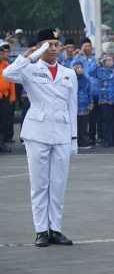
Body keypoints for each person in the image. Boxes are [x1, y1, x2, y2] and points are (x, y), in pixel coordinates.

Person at [2, 29, 77, 247]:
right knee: (39, 183)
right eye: (48, 44)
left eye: (56, 44)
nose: (53, 48)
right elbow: (8, 74)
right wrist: (31, 55)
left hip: (62, 132)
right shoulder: (30, 69)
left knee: (58, 184)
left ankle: (55, 228)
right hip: (38, 131)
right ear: (39, 47)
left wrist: (74, 139)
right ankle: (40, 230)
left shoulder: (68, 73)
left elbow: (72, 107)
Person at [91, 53, 114, 148]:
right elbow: (91, 72)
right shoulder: (100, 70)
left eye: (110, 60)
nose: (109, 62)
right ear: (104, 61)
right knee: (106, 121)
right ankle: (106, 140)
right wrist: (99, 63)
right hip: (105, 99)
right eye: (107, 60)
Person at [74, 38, 99, 146]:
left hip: (95, 92)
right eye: (85, 46)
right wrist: (79, 53)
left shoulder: (96, 60)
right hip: (80, 96)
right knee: (79, 120)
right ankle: (79, 139)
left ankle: (91, 137)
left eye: (89, 46)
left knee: (93, 118)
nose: (87, 48)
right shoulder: (79, 60)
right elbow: (71, 66)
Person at [71, 60, 93, 149]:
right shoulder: (71, 79)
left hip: (84, 105)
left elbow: (89, 92)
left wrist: (91, 102)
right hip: (74, 105)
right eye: (77, 67)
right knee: (75, 125)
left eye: (81, 67)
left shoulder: (86, 80)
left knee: (84, 125)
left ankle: (83, 141)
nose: (80, 69)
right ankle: (75, 142)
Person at [0, 43, 14, 152]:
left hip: (4, 97)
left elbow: (11, 84)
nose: (0, 55)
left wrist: (12, 97)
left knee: (3, 121)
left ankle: (2, 143)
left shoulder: (7, 66)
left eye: (1, 53)